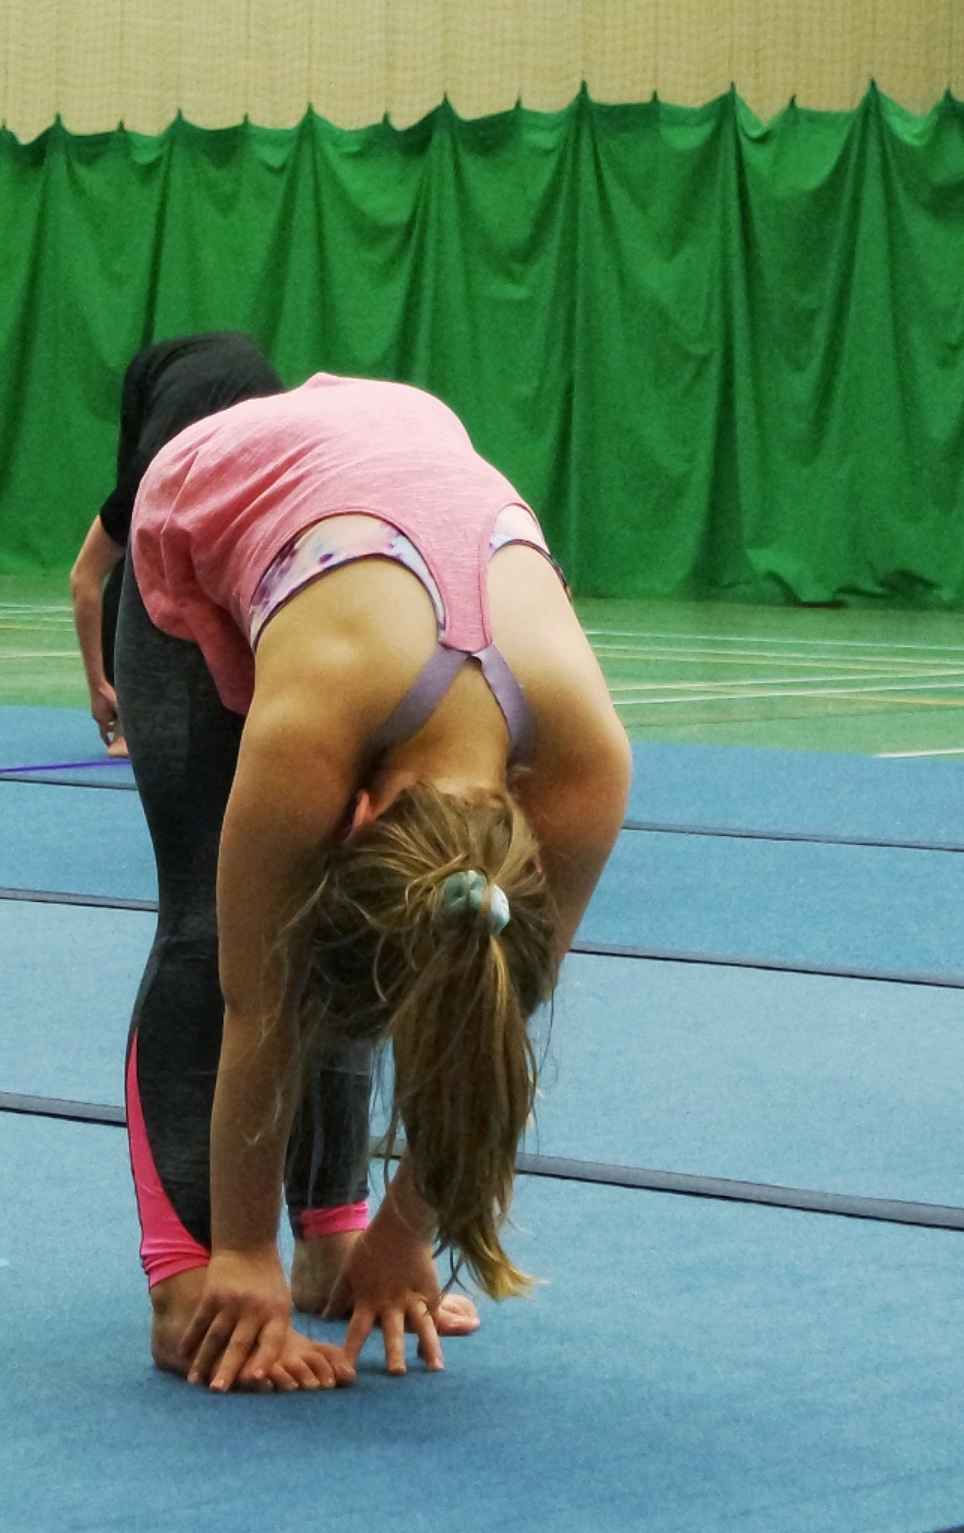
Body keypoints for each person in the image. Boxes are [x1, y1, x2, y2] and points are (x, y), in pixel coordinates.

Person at [118, 373, 631, 1390]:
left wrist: (408, 1235)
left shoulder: (588, 766)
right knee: (212, 928)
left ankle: (335, 1239)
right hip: (212, 500)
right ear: (355, 806)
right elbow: (254, 1003)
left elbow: (489, 1016)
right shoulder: (314, 722)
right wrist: (239, 1257)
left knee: (444, 949)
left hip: (409, 471)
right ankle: (187, 1277)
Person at [68, 333, 285, 756]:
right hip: (161, 371)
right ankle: (131, 718)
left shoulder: (263, 476)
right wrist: (100, 685)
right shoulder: (148, 482)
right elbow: (86, 577)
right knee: (135, 554)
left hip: (251, 388)